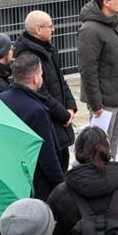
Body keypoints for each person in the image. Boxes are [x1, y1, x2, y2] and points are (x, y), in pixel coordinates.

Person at [0, 54, 68, 200]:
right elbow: (47, 157)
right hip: (35, 186)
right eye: (41, 74)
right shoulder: (36, 110)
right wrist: (62, 187)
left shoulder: (0, 99)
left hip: (9, 179)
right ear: (36, 79)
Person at [16, 10, 76, 170]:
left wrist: (70, 106)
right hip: (50, 124)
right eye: (50, 26)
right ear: (38, 30)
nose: (54, 29)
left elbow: (61, 80)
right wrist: (64, 115)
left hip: (60, 121)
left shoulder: (47, 49)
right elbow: (41, 93)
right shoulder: (27, 56)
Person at [77, 0, 118, 146]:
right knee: (99, 148)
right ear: (106, 2)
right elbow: (88, 71)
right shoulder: (90, 30)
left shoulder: (114, 23)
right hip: (104, 104)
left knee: (113, 144)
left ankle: (112, 172)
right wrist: (96, 106)